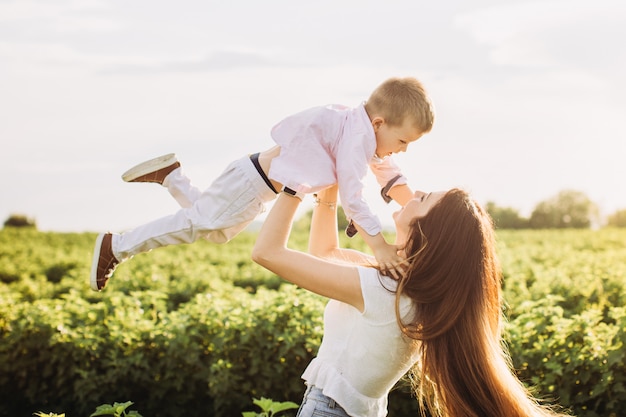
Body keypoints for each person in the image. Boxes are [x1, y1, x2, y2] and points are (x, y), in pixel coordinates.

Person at [251, 185, 571, 417]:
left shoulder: (383, 290)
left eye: (424, 198)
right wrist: (332, 188)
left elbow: (266, 252)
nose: (414, 193)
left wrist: (293, 185)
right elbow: (325, 254)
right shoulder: (406, 290)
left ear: (429, 230)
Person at [90, 76, 435, 291]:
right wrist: (379, 246)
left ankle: (171, 177)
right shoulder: (358, 138)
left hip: (251, 180)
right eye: (404, 141)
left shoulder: (360, 130)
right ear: (379, 123)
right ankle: (117, 246)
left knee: (216, 231)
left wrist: (421, 208)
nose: (402, 151)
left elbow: (386, 172)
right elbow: (353, 195)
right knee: (200, 223)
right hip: (251, 184)